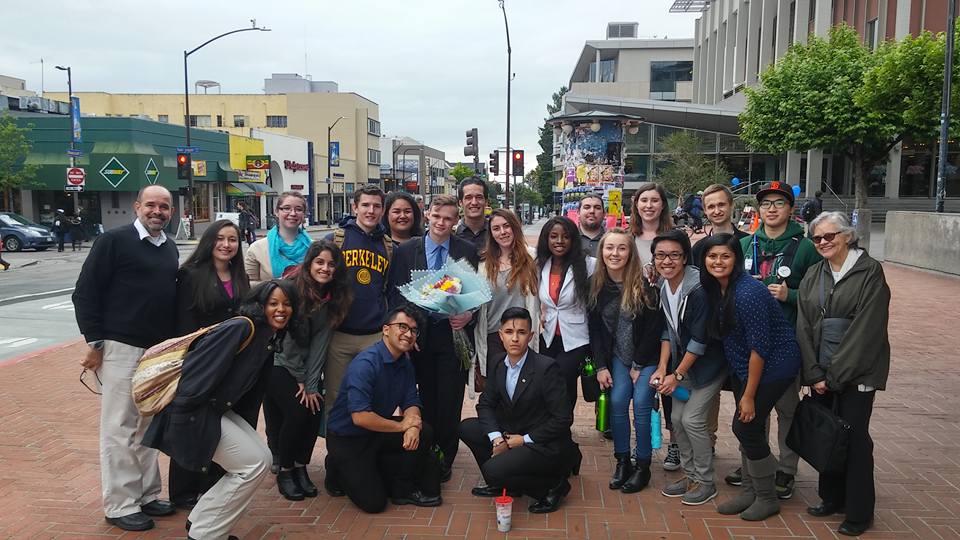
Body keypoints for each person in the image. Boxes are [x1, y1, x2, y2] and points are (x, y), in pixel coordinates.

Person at [142, 280, 295, 540]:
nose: (281, 309)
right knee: (253, 465)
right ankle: (205, 534)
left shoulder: (267, 336)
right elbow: (194, 376)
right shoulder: (241, 327)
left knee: (262, 459)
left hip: (214, 409)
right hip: (193, 412)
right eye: (273, 303)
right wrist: (188, 423)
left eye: (287, 304)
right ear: (260, 306)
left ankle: (202, 519)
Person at [72, 185, 179, 531]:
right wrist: (95, 342)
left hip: (155, 351)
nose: (157, 211)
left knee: (147, 425)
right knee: (119, 427)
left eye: (164, 206)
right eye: (151, 204)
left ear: (171, 212)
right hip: (121, 347)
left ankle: (147, 494)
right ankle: (120, 504)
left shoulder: (169, 248)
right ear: (137, 207)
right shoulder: (113, 242)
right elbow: (85, 292)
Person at [796, 212, 890, 537]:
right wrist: (814, 373)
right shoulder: (814, 273)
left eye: (829, 236)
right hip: (821, 370)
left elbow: (867, 329)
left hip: (858, 372)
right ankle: (831, 497)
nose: (823, 243)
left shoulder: (869, 272)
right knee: (829, 434)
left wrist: (834, 375)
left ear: (847, 236)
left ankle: (860, 510)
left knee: (855, 437)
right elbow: (803, 325)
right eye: (817, 238)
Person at [699, 233, 801, 521]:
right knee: (749, 429)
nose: (718, 262)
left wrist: (748, 395)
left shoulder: (748, 293)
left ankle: (767, 497)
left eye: (725, 256)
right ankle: (749, 490)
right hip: (745, 365)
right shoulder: (718, 289)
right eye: (712, 256)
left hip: (774, 365)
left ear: (736, 260)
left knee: (746, 427)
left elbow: (760, 348)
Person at [728, 181, 821, 498]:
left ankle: (786, 469)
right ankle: (757, 461)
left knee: (787, 409)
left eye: (779, 203)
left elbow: (820, 294)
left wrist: (790, 294)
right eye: (766, 203)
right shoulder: (745, 245)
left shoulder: (805, 247)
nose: (771, 208)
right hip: (752, 342)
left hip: (786, 345)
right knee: (752, 409)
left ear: (790, 209)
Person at [387, 194, 480, 482]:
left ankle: (444, 456)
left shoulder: (466, 250)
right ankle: (421, 447)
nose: (442, 222)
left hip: (452, 336)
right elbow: (396, 293)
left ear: (456, 221)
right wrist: (404, 332)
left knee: (449, 400)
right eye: (437, 216)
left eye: (449, 218)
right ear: (427, 215)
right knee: (419, 397)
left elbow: (473, 294)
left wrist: (469, 315)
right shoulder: (406, 250)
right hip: (416, 338)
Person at [459, 307, 581, 513]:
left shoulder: (546, 368)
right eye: (509, 332)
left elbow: (562, 419)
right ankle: (506, 484)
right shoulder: (498, 362)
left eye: (521, 333)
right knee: (466, 428)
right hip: (510, 433)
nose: (515, 338)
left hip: (543, 444)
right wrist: (497, 438)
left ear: (531, 336)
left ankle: (552, 487)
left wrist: (522, 440)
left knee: (492, 470)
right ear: (500, 336)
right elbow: (485, 404)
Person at [324, 305, 442, 513]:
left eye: (413, 330)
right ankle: (335, 466)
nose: (408, 334)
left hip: (376, 432)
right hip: (348, 438)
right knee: (374, 503)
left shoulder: (404, 362)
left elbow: (411, 400)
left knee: (425, 432)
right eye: (402, 327)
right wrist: (402, 427)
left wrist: (413, 425)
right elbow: (360, 417)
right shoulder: (366, 364)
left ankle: (400, 486)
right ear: (386, 329)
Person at [169, 219, 251, 509]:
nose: (227, 245)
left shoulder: (239, 276)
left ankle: (211, 484)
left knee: (218, 425)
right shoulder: (191, 276)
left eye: (233, 240)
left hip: (230, 364)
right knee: (192, 425)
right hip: (200, 363)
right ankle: (183, 491)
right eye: (221, 238)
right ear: (210, 241)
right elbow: (182, 326)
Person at [265, 240, 352, 501]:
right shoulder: (291, 289)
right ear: (309, 264)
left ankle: (301, 466)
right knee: (297, 410)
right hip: (276, 361)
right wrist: (301, 379)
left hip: (302, 367)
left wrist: (312, 384)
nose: (325, 268)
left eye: (331, 264)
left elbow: (319, 344)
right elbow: (286, 339)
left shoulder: (333, 297)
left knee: (314, 408)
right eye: (320, 262)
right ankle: (285, 469)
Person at [649, 230, 727, 506]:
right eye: (660, 255)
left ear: (685, 258)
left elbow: (700, 339)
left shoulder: (699, 290)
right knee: (678, 421)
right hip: (682, 367)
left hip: (707, 368)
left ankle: (706, 482)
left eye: (674, 255)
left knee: (693, 420)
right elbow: (668, 330)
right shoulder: (662, 284)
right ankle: (691, 474)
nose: (666, 261)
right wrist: (662, 367)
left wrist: (677, 375)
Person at [590, 229, 664, 494]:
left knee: (643, 403)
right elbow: (595, 331)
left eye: (622, 248)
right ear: (602, 252)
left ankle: (642, 465)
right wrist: (600, 366)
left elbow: (653, 331)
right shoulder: (596, 286)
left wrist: (638, 365)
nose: (615, 253)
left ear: (631, 252)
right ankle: (622, 461)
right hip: (618, 357)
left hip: (645, 358)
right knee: (618, 402)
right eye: (609, 248)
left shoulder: (644, 286)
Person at [323, 185, 392, 414]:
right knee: (336, 398)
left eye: (376, 206)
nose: (371, 211)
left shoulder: (388, 246)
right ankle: (337, 448)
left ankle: (369, 448)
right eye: (365, 205)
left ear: (382, 210)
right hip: (339, 334)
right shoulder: (336, 239)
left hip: (373, 333)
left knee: (372, 396)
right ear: (355, 207)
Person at [691, 183, 750, 451]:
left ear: (731, 206)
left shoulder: (749, 242)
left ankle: (748, 454)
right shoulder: (700, 247)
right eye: (710, 206)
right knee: (707, 395)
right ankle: (708, 444)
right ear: (704, 210)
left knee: (747, 398)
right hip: (712, 333)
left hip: (743, 332)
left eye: (721, 204)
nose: (716, 210)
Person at [629, 181, 681, 470]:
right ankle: (645, 442)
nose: (649, 205)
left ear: (663, 205)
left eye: (654, 200)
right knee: (646, 388)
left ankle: (675, 444)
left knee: (671, 387)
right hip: (641, 320)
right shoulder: (630, 237)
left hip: (672, 319)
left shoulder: (674, 236)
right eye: (643, 200)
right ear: (636, 205)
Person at [473, 209, 540, 388]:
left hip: (522, 335)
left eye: (506, 226)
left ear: (515, 228)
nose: (502, 232)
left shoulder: (532, 257)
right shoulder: (483, 265)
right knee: (497, 390)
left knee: (522, 390)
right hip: (494, 336)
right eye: (496, 228)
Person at [536, 216, 595, 411]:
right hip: (549, 335)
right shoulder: (541, 264)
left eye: (565, 237)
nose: (559, 241)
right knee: (557, 382)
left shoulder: (588, 264)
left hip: (577, 338)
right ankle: (558, 427)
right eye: (553, 236)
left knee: (560, 376)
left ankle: (560, 424)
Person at [244, 191, 312, 284]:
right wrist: (276, 287)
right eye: (286, 208)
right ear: (276, 212)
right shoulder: (256, 249)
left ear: (304, 214)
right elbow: (248, 284)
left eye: (299, 209)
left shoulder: (314, 248)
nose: (293, 213)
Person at [454, 176, 489, 249]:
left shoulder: (497, 233)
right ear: (460, 202)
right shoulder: (451, 235)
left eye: (479, 197)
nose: (474, 202)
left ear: (486, 202)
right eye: (468, 197)